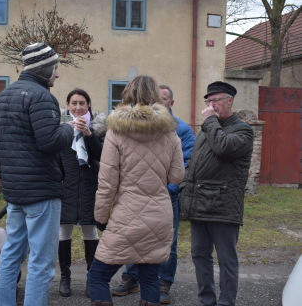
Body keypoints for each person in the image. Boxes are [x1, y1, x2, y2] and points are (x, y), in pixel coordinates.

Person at [88, 75, 185, 306]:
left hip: (127, 216)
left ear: (126, 94)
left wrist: (100, 217)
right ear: (154, 96)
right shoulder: (170, 132)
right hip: (159, 216)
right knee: (150, 279)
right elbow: (177, 176)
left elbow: (107, 182)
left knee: (97, 276)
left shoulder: (116, 131)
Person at [0, 43, 74, 306]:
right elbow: (49, 141)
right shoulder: (42, 97)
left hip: (15, 193)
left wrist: (8, 183)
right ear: (45, 69)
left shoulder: (3, 96)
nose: (58, 74)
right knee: (41, 262)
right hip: (41, 193)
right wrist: (70, 128)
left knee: (10, 255)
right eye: (56, 68)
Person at [111, 85, 196, 304]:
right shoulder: (137, 125)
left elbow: (186, 164)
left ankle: (163, 282)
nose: (159, 102)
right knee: (134, 235)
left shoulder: (182, 130)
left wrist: (166, 190)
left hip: (166, 196)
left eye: (164, 98)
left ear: (171, 103)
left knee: (169, 242)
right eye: (156, 98)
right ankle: (131, 278)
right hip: (138, 196)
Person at [180, 81, 254, 306]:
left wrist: (210, 120)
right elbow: (194, 163)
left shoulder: (243, 130)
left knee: (226, 260)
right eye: (208, 101)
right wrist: (185, 187)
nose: (210, 106)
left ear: (229, 101)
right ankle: (206, 300)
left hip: (223, 206)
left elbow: (224, 147)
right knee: (199, 256)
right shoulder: (208, 130)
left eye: (215, 101)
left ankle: (226, 302)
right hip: (199, 204)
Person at [58, 88, 106, 298]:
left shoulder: (99, 128)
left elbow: (102, 156)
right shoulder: (60, 128)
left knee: (91, 232)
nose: (78, 107)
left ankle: (91, 278)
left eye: (82, 103)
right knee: (63, 233)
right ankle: (65, 277)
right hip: (66, 188)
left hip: (89, 187)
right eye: (74, 103)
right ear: (68, 106)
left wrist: (88, 134)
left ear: (89, 106)